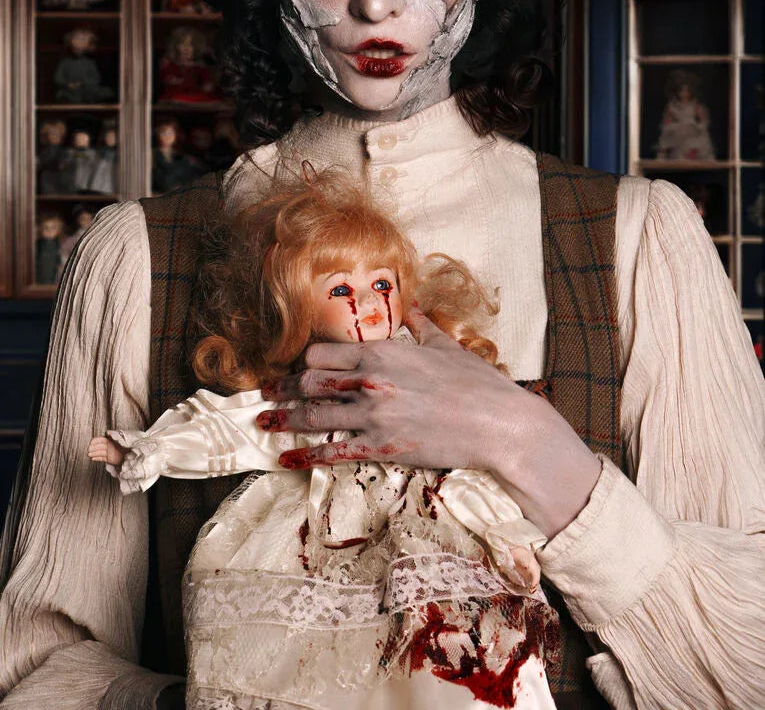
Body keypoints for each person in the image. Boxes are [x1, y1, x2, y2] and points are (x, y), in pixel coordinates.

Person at [1, 0, 763, 710]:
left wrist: (526, 443)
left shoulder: (640, 238)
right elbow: (35, 662)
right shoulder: (131, 255)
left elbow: (747, 663)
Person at [88, 168, 558, 710]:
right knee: (323, 665)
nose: (369, 302)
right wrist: (154, 449)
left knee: (451, 663)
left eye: (382, 284)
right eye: (340, 289)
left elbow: (470, 471)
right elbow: (242, 427)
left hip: (428, 537)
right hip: (323, 541)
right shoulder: (313, 393)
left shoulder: (438, 382)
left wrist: (507, 538)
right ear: (301, 307)